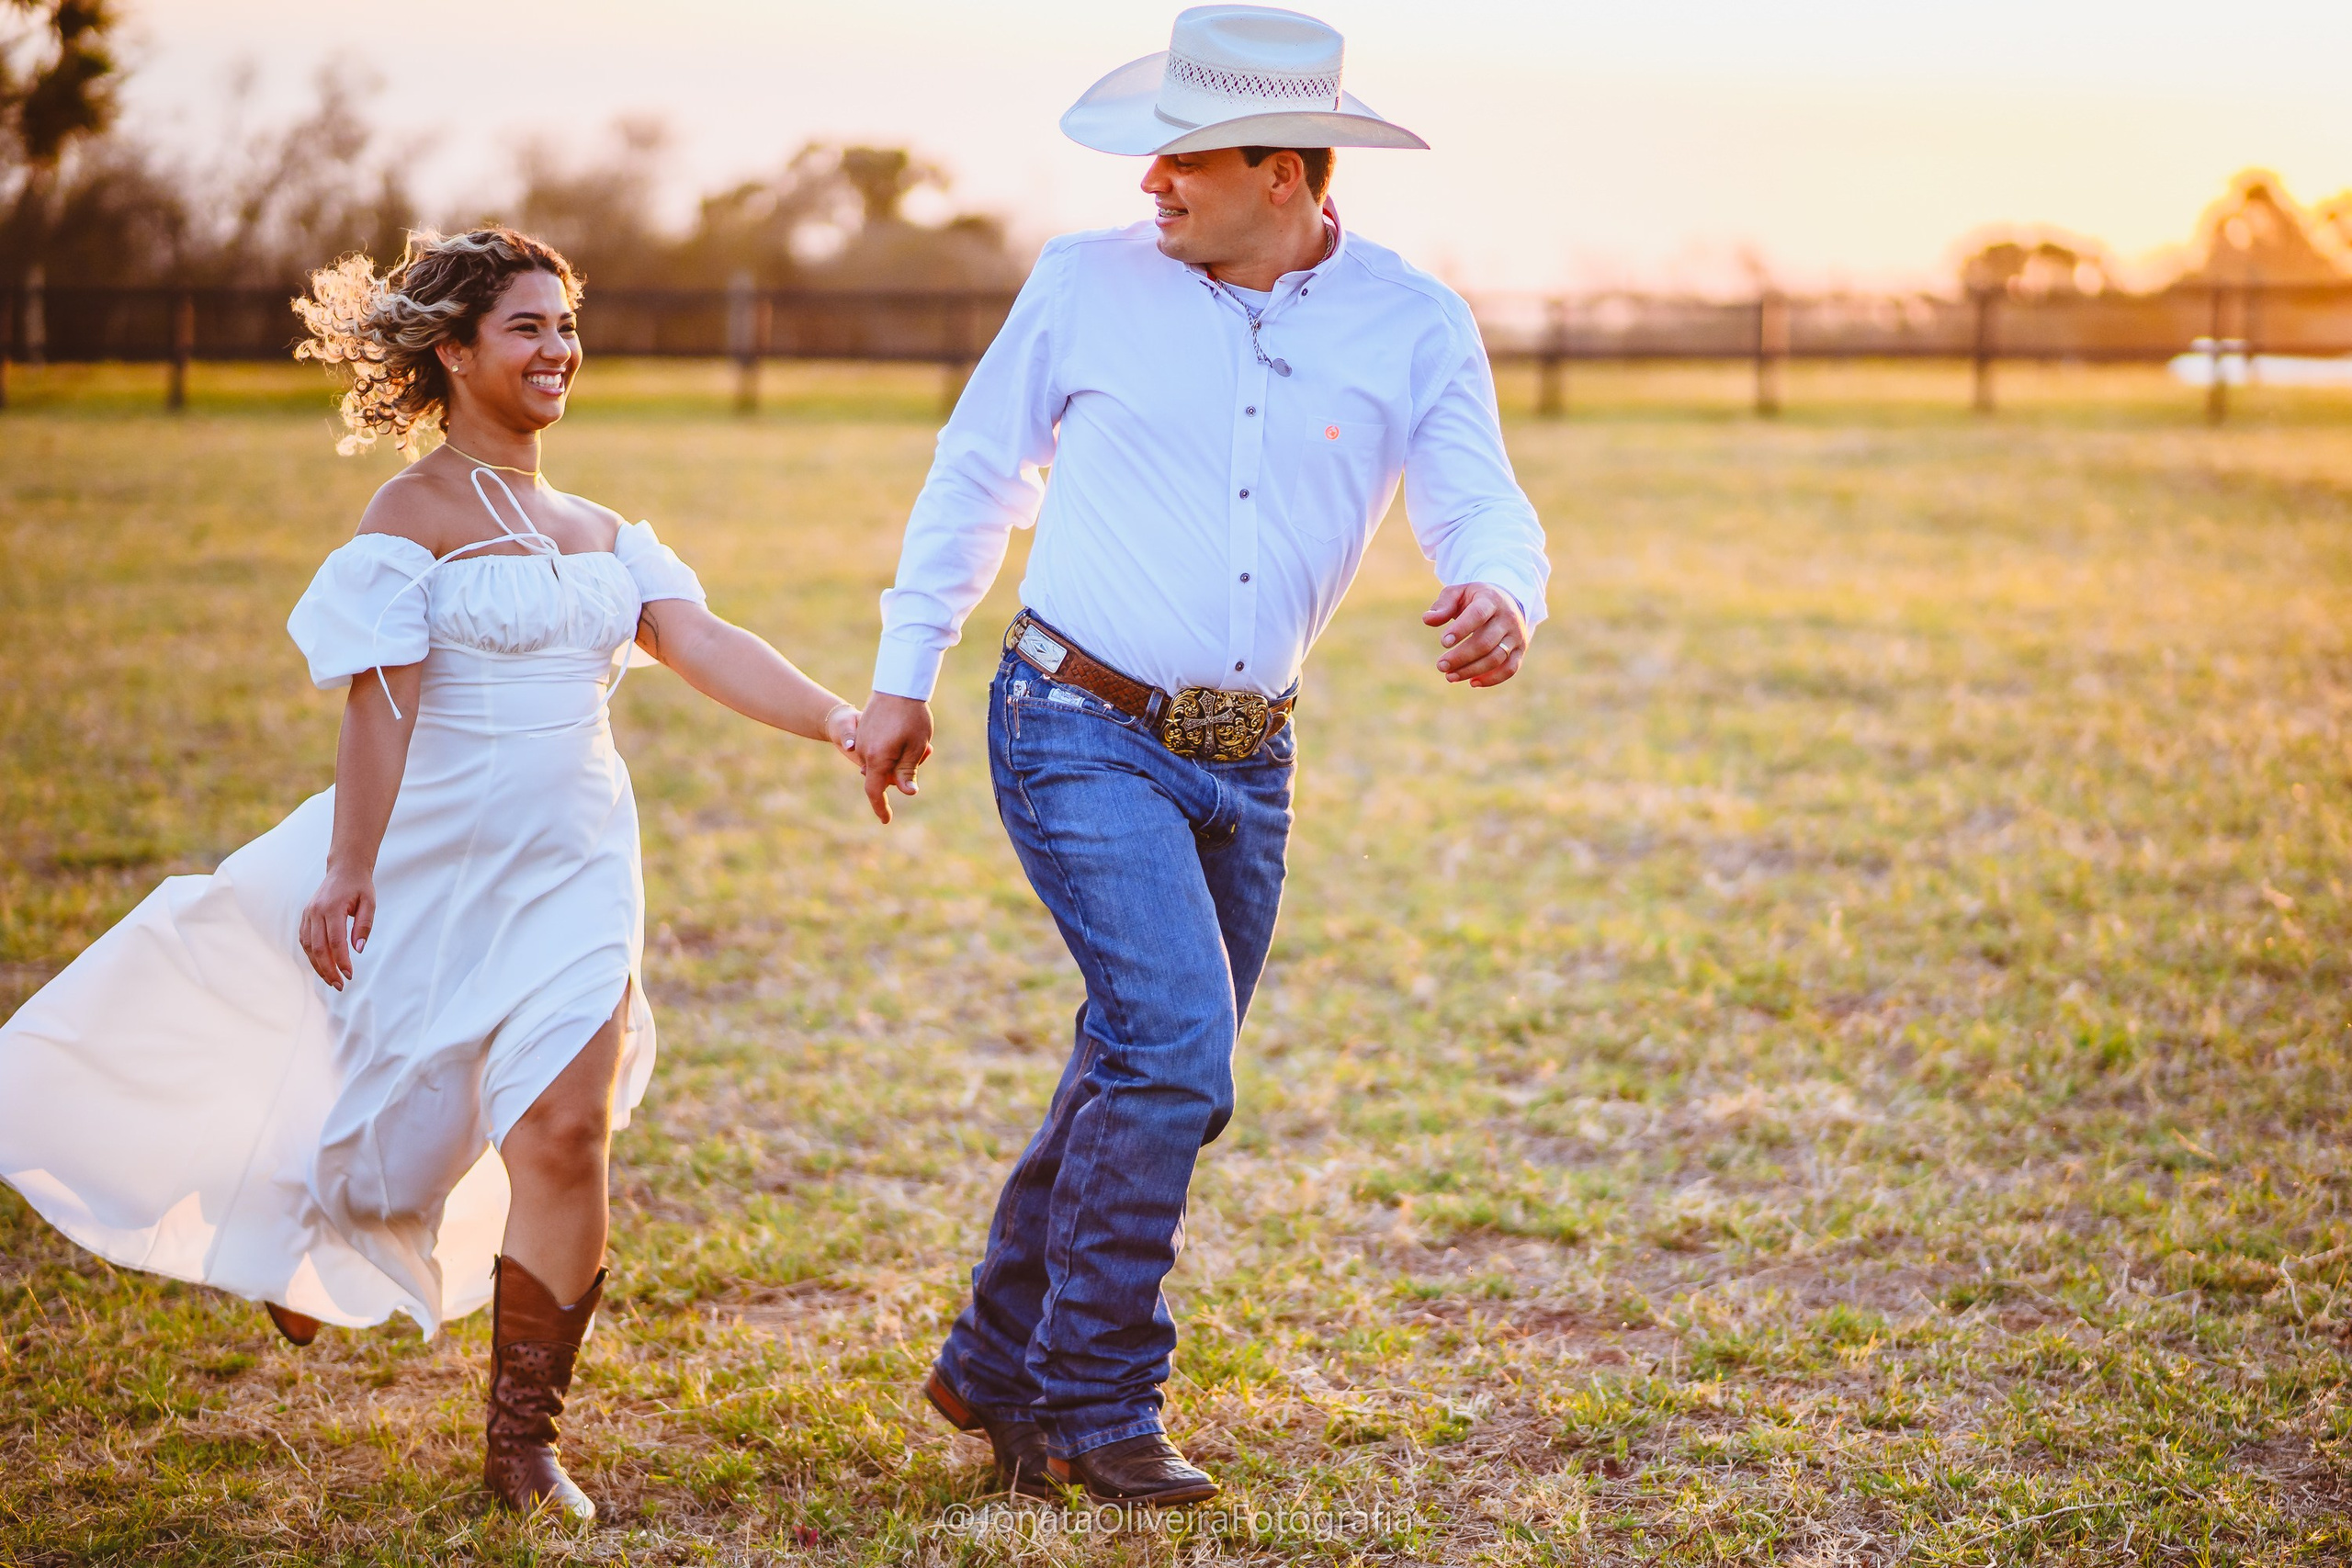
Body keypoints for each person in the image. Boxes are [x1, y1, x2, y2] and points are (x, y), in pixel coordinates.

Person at [0, 227, 862, 1524]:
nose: (559, 348)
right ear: (454, 353)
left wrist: (845, 724)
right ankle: (311, 1228)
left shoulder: (603, 529)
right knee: (404, 1142)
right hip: (432, 854)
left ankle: (523, 1448)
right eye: (528, 327)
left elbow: (705, 641)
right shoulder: (410, 515)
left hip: (576, 858)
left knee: (567, 1134)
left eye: (566, 324)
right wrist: (350, 868)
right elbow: (380, 707)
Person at [857, 5, 1551, 1506]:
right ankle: (1093, 1405)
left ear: (1289, 173)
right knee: (1177, 1052)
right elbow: (978, 475)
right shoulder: (1083, 286)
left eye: (1187, 160)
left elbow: (1481, 499)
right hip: (1072, 722)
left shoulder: (1412, 319)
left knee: (1140, 1052)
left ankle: (988, 1358)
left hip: (1252, 761)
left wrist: (1503, 590)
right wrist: (901, 675)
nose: (1152, 186)